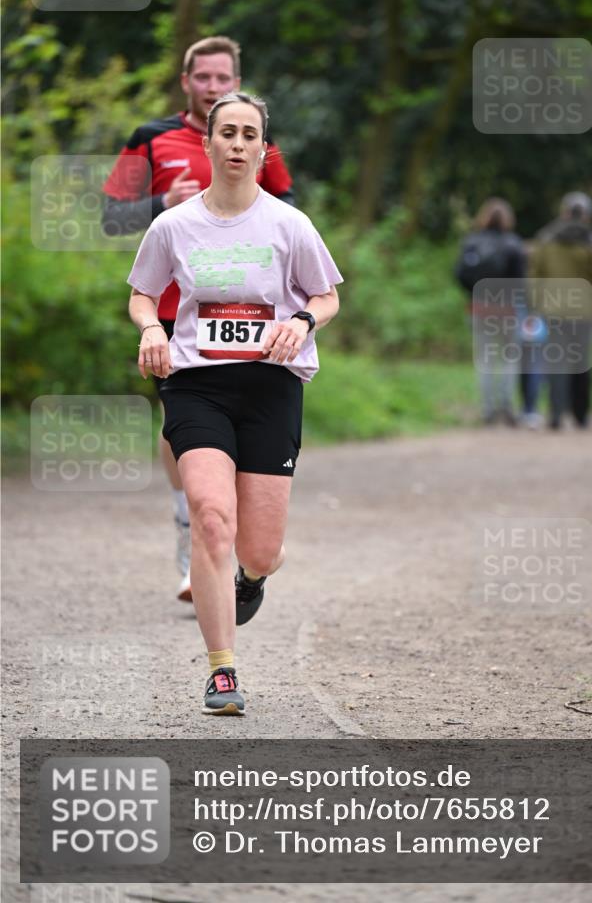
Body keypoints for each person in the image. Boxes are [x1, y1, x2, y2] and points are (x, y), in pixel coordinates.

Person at [127, 92, 342, 714]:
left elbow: (326, 296)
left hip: (271, 384)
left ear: (263, 148)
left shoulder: (288, 224)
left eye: (251, 134)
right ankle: (222, 671)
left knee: (259, 548)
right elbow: (144, 294)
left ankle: (253, 575)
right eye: (228, 133)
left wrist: (301, 322)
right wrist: (151, 329)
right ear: (209, 143)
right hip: (197, 383)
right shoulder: (173, 225)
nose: (239, 144)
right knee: (211, 515)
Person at [103, 36, 294, 599]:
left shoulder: (254, 136)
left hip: (248, 314)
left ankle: (241, 544)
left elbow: (287, 202)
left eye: (223, 79)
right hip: (169, 316)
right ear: (186, 80)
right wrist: (161, 205)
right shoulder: (150, 138)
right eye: (203, 78)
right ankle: (194, 530)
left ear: (235, 81)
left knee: (243, 448)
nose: (213, 87)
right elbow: (111, 216)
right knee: (180, 431)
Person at [530, 192, 592, 430]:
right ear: (587, 216)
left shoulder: (546, 239)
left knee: (556, 361)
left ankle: (556, 414)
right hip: (584, 310)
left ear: (563, 213)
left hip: (553, 309)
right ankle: (581, 415)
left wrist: (538, 303)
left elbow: (535, 274)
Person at [455, 198, 526, 426]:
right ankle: (506, 407)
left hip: (479, 308)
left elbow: (459, 274)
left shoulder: (471, 242)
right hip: (506, 309)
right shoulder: (514, 244)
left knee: (485, 359)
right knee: (509, 359)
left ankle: (487, 410)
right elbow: (521, 282)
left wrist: (474, 292)